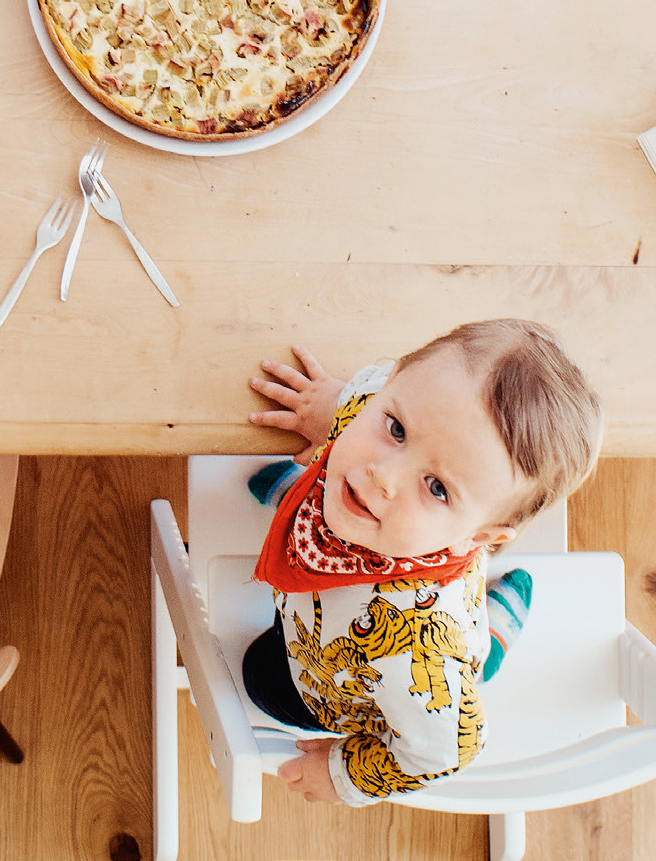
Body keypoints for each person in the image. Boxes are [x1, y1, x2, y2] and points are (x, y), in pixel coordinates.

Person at [240, 318, 604, 806]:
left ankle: (489, 645)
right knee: (354, 466)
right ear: (393, 382)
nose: (383, 475)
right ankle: (304, 501)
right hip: (326, 612)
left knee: (259, 676)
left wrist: (344, 775)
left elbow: (447, 749)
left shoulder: (418, 652)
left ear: (480, 538)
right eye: (395, 430)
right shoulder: (407, 408)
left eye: (437, 488)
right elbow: (367, 398)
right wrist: (328, 412)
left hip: (335, 681)